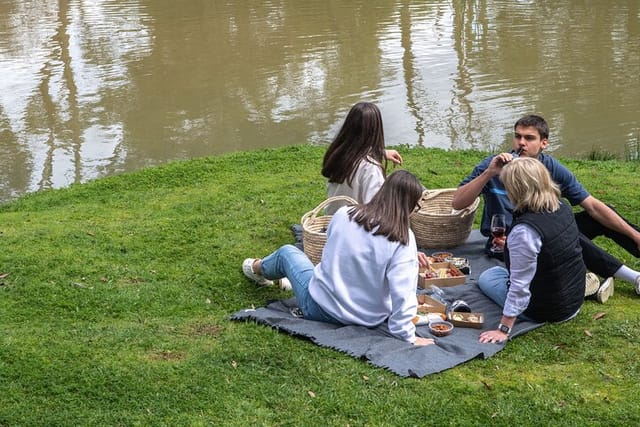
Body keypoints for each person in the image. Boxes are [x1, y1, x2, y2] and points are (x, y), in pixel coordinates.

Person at [452, 114, 640, 302]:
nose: (521, 143)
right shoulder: (494, 164)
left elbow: (592, 205)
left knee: (596, 216)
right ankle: (634, 278)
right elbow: (457, 203)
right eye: (518, 136)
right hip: (511, 242)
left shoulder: (551, 167)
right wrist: (489, 173)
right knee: (567, 235)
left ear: (544, 143)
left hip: (545, 233)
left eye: (529, 138)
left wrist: (634, 235)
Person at [242, 170, 434, 346]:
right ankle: (263, 271)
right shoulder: (404, 241)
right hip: (369, 318)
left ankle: (256, 268)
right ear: (408, 206)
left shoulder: (344, 214)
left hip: (321, 307)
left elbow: (338, 252)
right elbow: (404, 294)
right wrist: (407, 335)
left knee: (287, 253)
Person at [478, 157, 586, 344]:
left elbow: (519, 287)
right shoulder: (562, 207)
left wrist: (503, 329)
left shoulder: (525, 231)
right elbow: (551, 247)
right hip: (574, 299)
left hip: (548, 309)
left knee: (489, 276)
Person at [321, 101, 403, 214]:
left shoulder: (338, 153)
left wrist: (380, 152)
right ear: (376, 129)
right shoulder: (371, 169)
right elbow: (376, 211)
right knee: (405, 186)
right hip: (355, 225)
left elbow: (357, 151)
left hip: (332, 220)